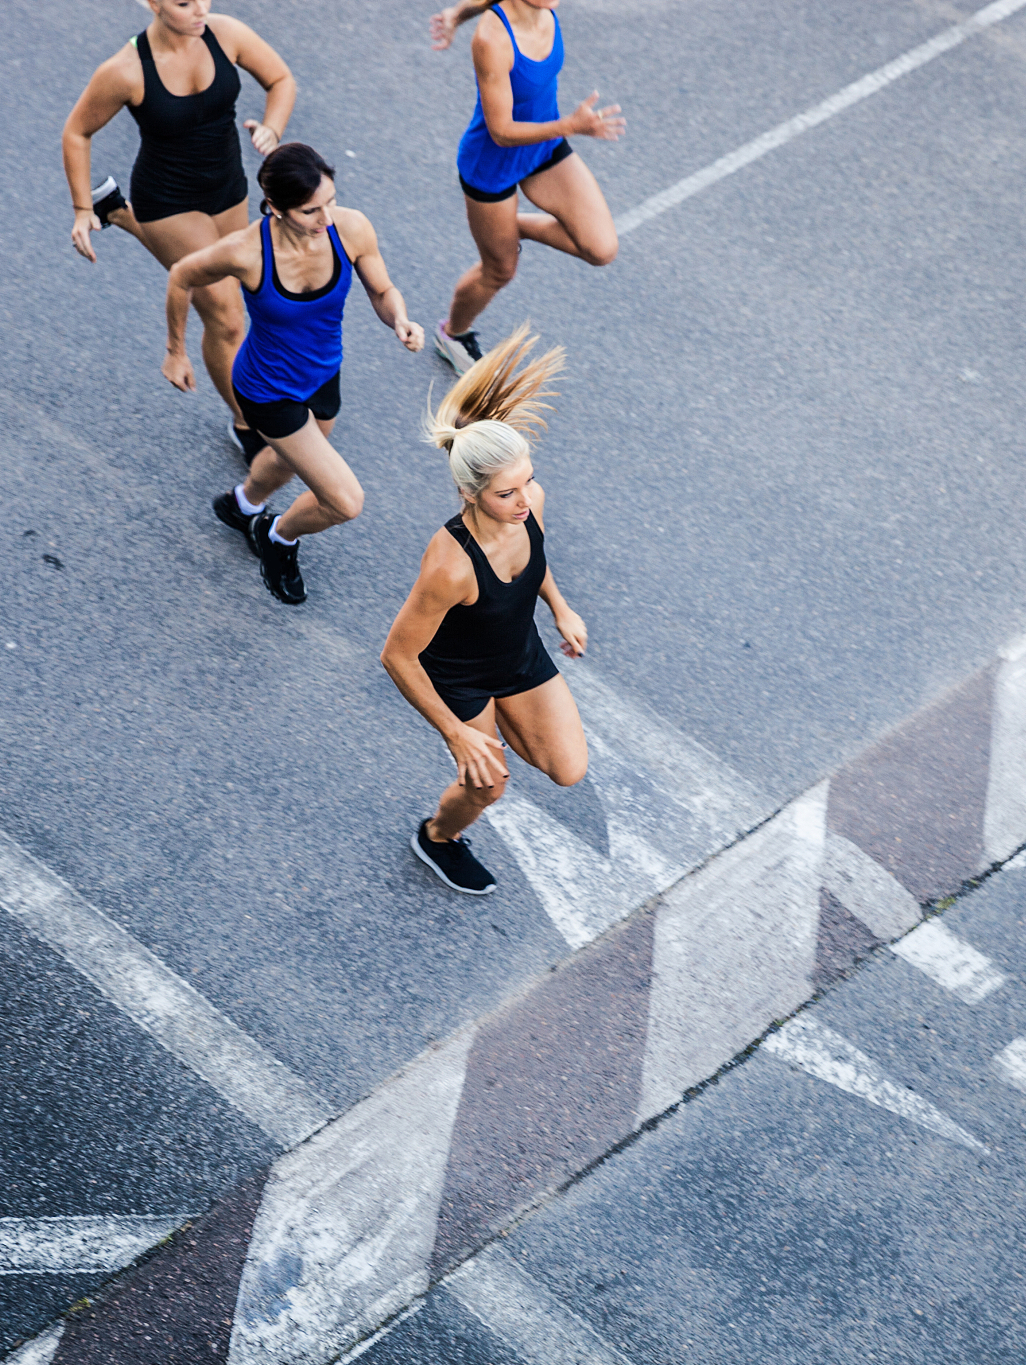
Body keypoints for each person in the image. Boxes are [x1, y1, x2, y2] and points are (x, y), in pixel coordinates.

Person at [164, 143, 426, 604]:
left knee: (289, 460)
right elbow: (182, 275)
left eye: (331, 200)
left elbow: (382, 289)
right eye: (311, 210)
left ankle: (241, 504)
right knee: (345, 501)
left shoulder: (351, 228)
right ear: (276, 209)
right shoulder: (246, 251)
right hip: (268, 389)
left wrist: (399, 319)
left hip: (325, 373)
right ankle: (277, 536)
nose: (327, 218)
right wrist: (175, 352)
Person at [380, 327, 589, 894]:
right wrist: (456, 733)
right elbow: (397, 655)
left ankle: (503, 723)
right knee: (487, 785)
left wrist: (560, 608)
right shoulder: (450, 568)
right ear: (470, 494)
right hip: (460, 677)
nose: (524, 500)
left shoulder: (530, 506)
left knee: (568, 770)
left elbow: (534, 563)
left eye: (528, 482)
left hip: (517, 654)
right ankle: (437, 838)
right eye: (507, 493)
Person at [63, 0, 296, 462]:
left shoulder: (224, 33)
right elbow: (76, 132)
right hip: (168, 202)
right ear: (151, 3)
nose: (200, 9)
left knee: (238, 290)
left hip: (228, 187)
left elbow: (281, 79)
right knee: (227, 316)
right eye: (184, 2)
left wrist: (272, 127)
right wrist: (80, 208)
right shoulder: (126, 71)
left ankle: (121, 216)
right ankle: (246, 421)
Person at [426, 0, 625, 374]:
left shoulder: (543, 7)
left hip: (544, 146)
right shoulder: (491, 38)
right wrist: (571, 126)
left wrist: (457, 13)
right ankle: (452, 334)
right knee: (500, 271)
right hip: (493, 164)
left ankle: (510, 227)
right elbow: (500, 132)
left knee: (602, 249)